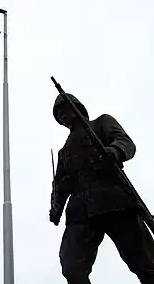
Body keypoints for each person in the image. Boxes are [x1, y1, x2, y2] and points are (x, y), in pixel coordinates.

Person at [49, 93, 154, 284]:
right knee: (72, 267)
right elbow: (60, 186)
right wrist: (56, 207)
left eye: (65, 109)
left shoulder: (101, 123)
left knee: (146, 262)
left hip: (114, 202)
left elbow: (126, 142)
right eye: (59, 114)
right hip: (80, 213)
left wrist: (114, 151)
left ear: (77, 107)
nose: (63, 115)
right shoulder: (64, 152)